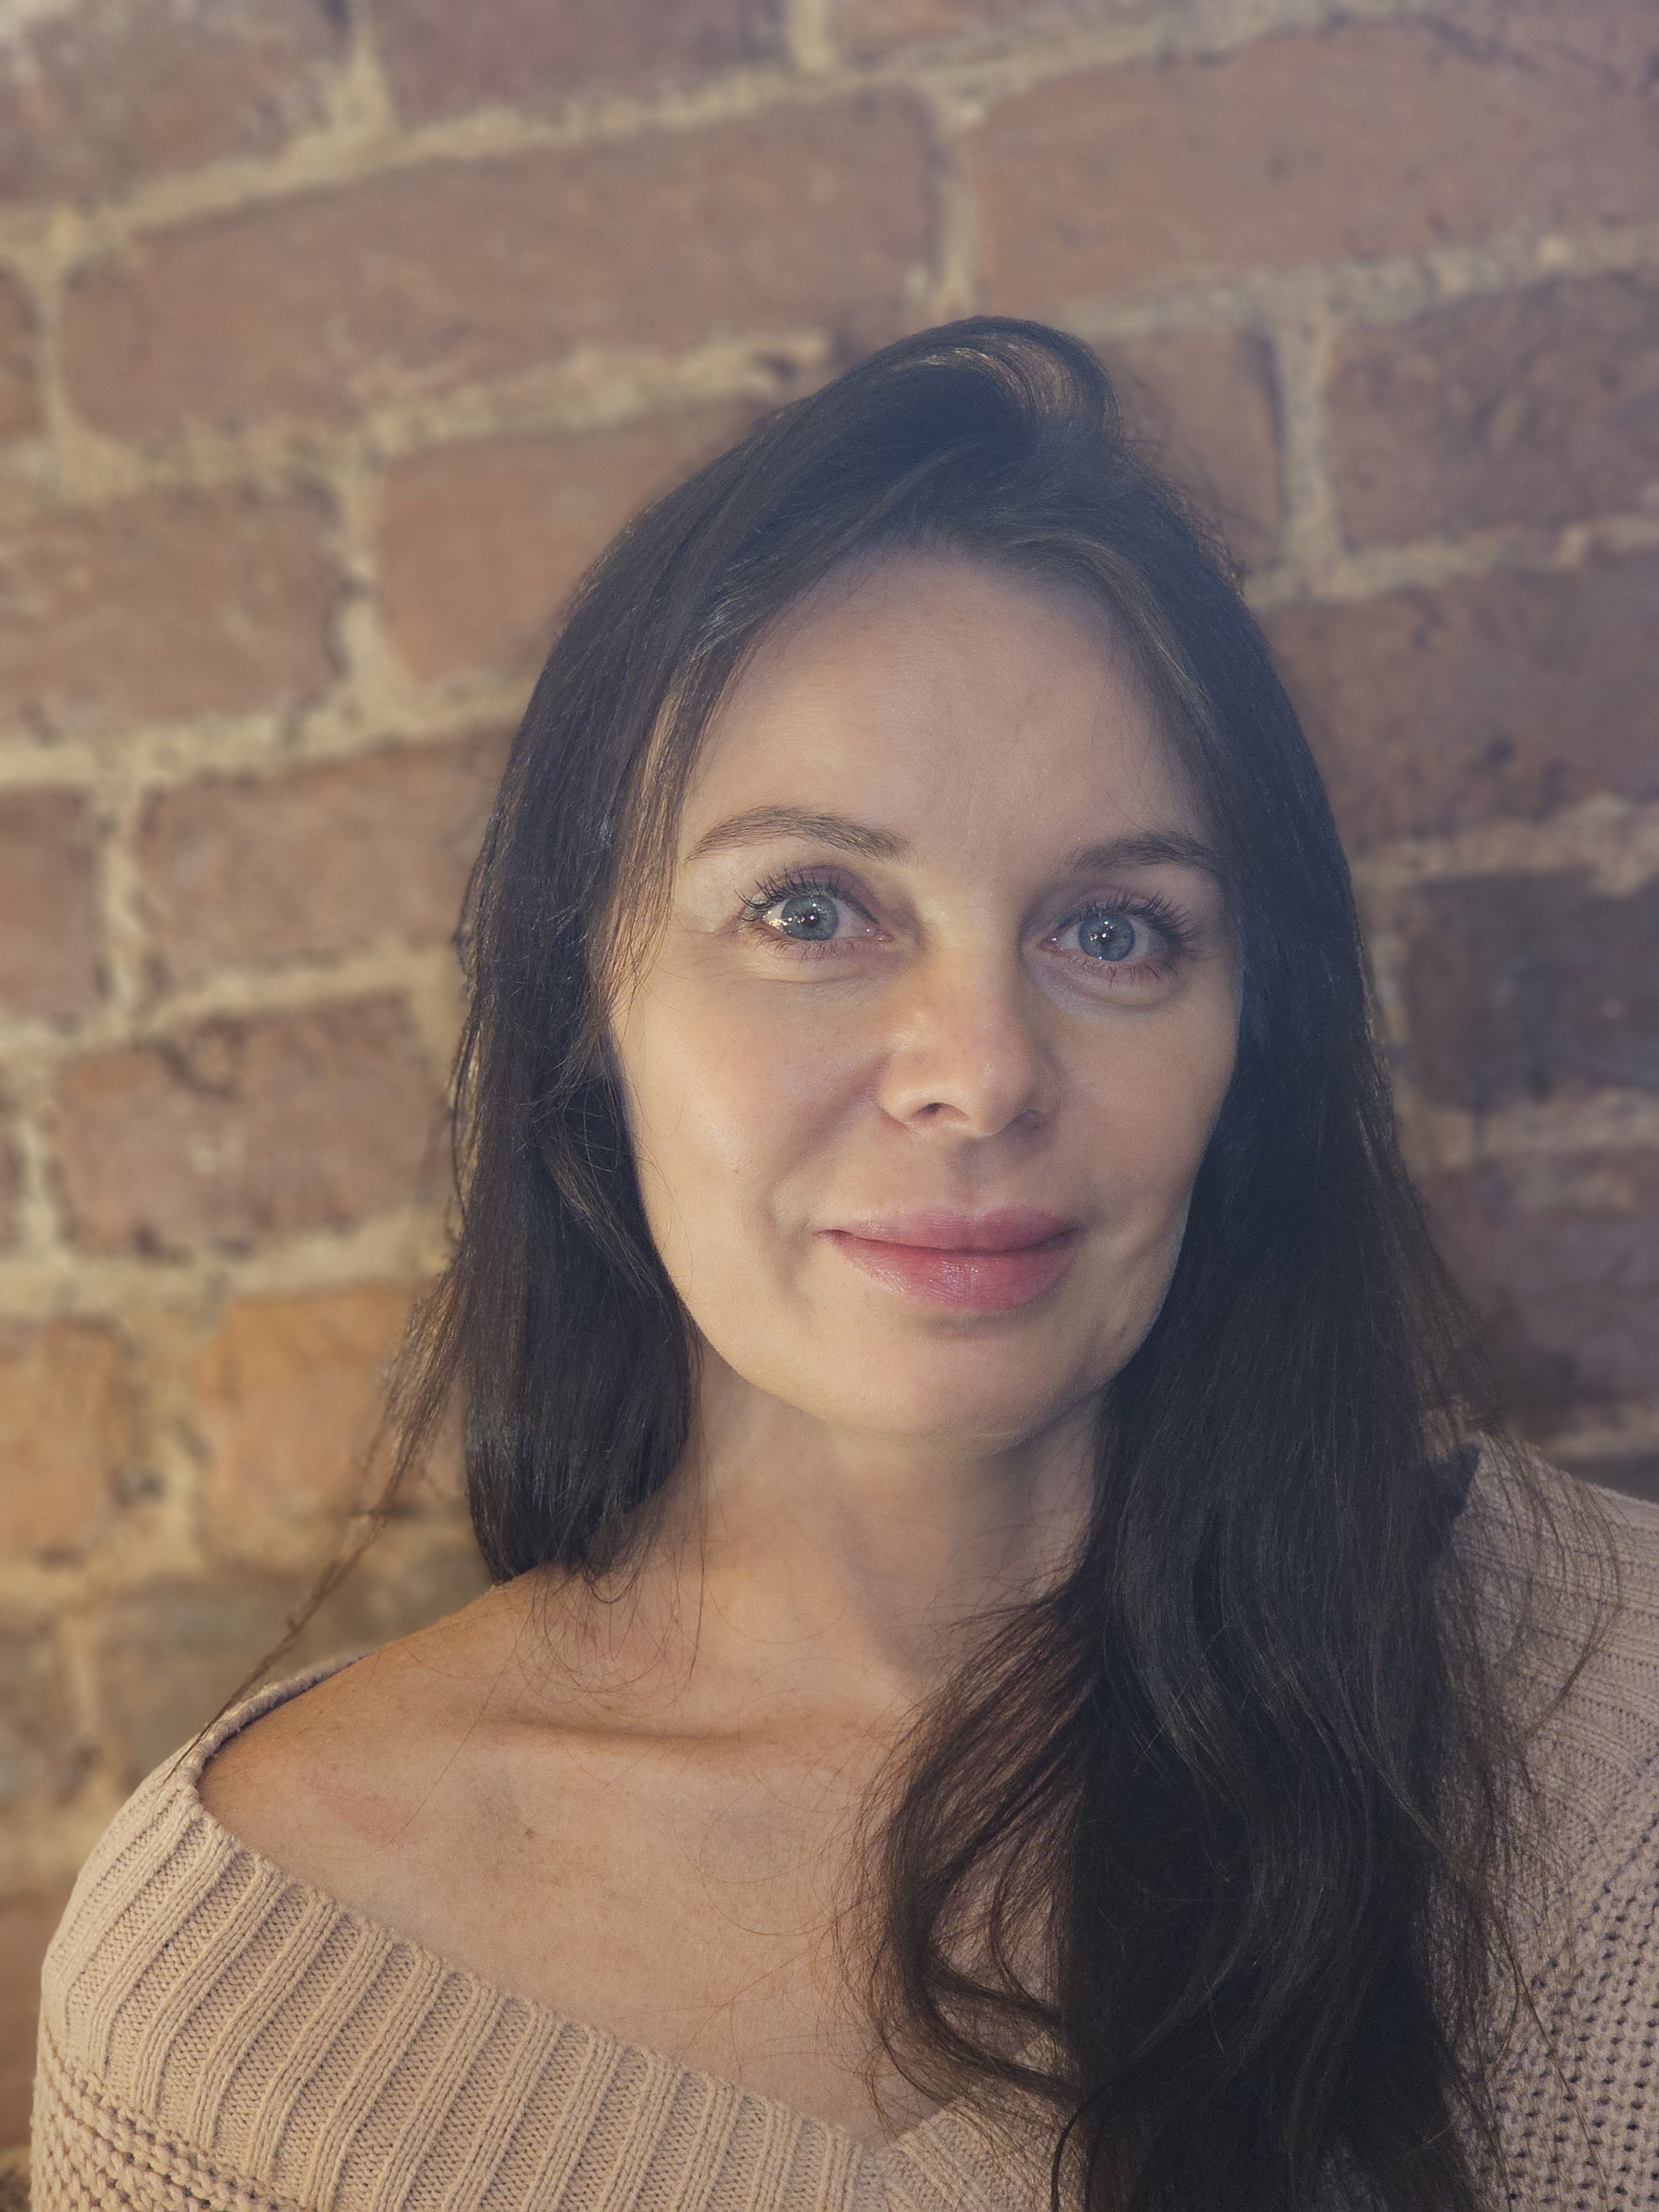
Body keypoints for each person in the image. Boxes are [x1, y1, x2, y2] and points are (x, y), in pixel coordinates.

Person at [32, 320, 1659, 2212]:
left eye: (1117, 930)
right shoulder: (237, 2019)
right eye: (811, 911)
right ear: (585, 1001)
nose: (981, 1070)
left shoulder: (1615, 1735)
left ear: (1249, 1038)